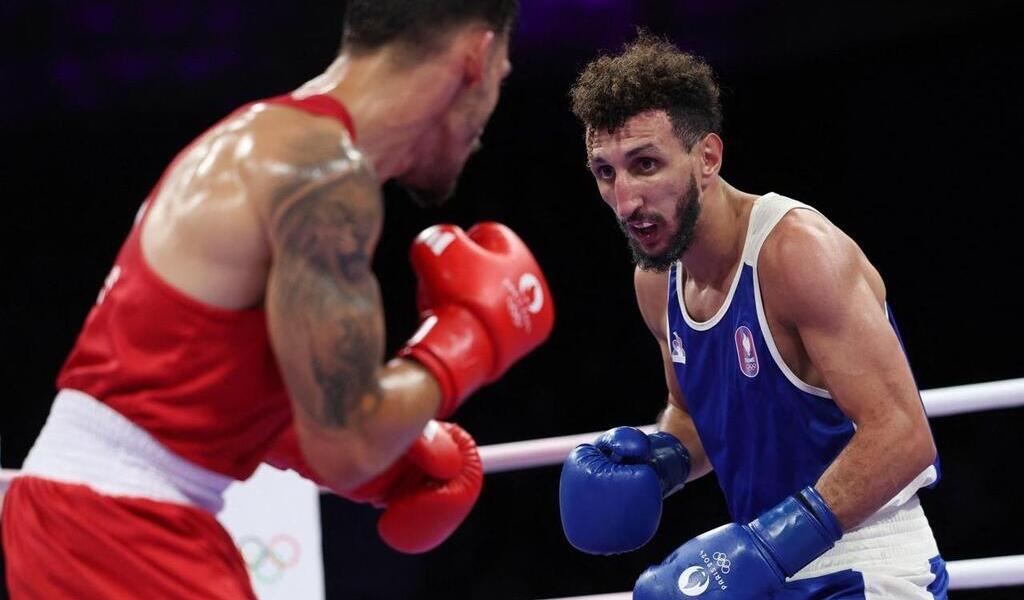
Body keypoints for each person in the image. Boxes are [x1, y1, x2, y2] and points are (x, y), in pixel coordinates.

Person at [2, 1, 555, 597]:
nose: (491, 116)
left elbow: (198, 377)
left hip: (90, 520)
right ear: (476, 55)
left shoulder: (269, 141)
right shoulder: (318, 172)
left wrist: (387, 456)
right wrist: (466, 339)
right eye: (503, 73)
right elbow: (349, 446)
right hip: (119, 524)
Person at [558, 34, 947, 599]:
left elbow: (905, 435)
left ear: (708, 157)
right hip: (763, 566)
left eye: (645, 165)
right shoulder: (655, 281)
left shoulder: (796, 253)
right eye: (606, 172)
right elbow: (692, 418)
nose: (625, 201)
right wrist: (660, 463)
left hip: (869, 563)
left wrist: (770, 543)